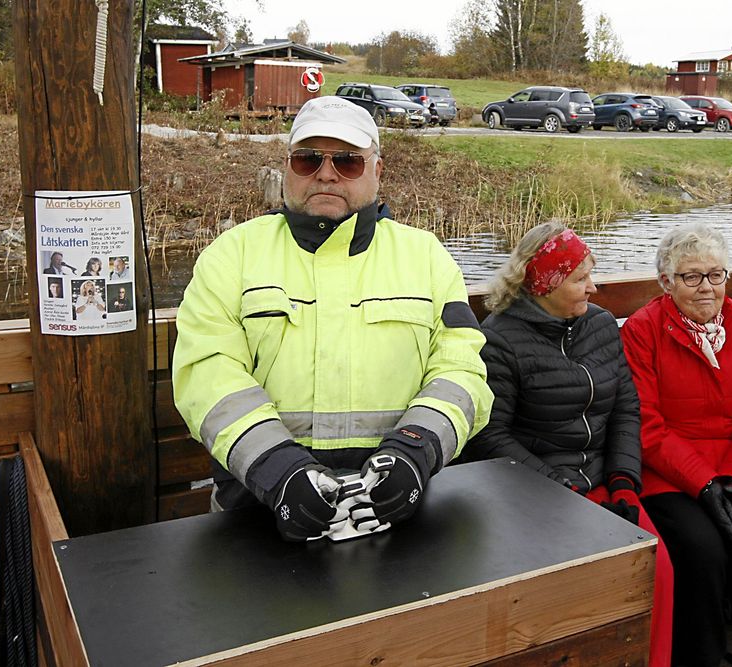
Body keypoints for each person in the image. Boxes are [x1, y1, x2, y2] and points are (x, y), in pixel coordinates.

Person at [172, 96, 492, 542]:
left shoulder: (427, 257)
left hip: (397, 512)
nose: (326, 173)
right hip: (255, 513)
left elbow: (462, 372)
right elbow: (206, 374)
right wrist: (277, 468)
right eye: (308, 159)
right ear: (287, 168)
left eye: (347, 161)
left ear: (378, 171)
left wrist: (416, 449)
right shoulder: (232, 254)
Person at [463, 221, 674, 667]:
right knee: (569, 598)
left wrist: (623, 482)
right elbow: (490, 435)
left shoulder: (599, 324)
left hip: (602, 482)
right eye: (581, 278)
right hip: (539, 495)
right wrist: (559, 487)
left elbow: (625, 409)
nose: (593, 287)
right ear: (545, 284)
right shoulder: (500, 339)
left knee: (657, 569)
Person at [620, 223, 732, 667]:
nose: (706, 287)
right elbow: (645, 422)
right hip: (670, 474)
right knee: (700, 549)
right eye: (691, 276)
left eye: (715, 275)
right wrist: (704, 482)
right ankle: (701, 657)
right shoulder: (643, 330)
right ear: (666, 282)